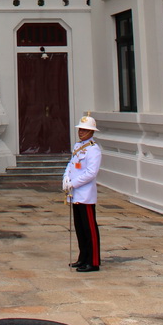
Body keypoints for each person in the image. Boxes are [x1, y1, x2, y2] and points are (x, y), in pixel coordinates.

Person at [63, 114, 102, 272]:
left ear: (91, 132)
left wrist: (74, 183)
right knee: (79, 227)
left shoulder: (94, 150)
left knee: (89, 228)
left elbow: (91, 173)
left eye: (85, 130)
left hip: (85, 194)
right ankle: (83, 257)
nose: (81, 132)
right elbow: (72, 164)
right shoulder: (78, 147)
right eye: (80, 129)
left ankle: (93, 261)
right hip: (75, 193)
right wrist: (66, 178)